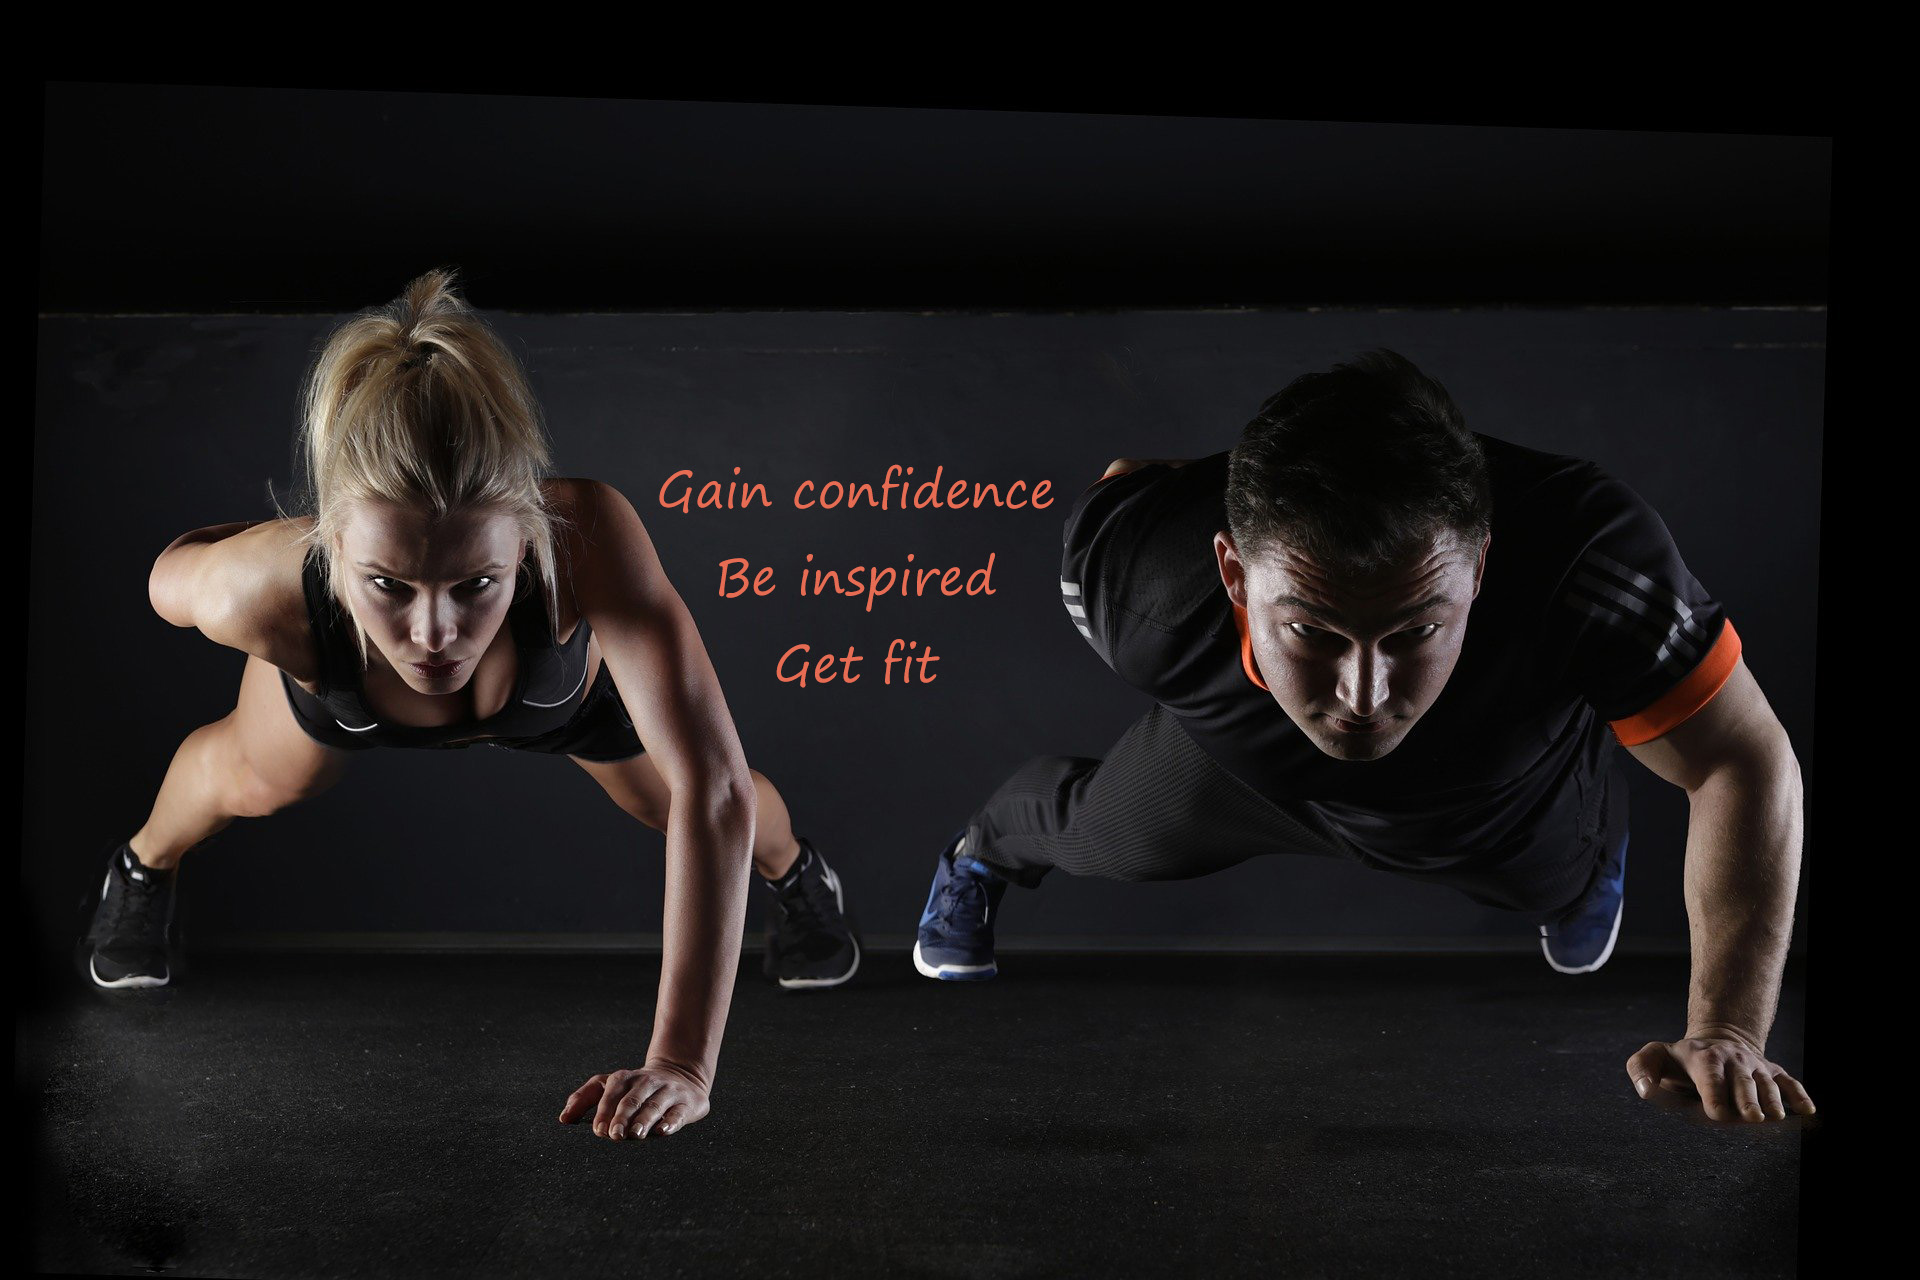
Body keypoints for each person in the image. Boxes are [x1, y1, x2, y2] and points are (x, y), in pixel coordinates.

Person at [914, 350, 1814, 1125]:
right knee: (1094, 835)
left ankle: (1585, 846)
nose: (1363, 695)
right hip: (1239, 772)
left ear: (1480, 566)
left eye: (1415, 630)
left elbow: (1739, 757)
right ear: (1233, 572)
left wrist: (1729, 1029)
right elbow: (1128, 483)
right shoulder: (1141, 578)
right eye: (1313, 630)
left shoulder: (1587, 556)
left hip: (1490, 798)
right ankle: (978, 854)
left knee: (1555, 882)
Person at [81, 270, 861, 1143]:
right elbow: (170, 573)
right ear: (331, 540)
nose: (434, 634)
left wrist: (682, 1061)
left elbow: (714, 788)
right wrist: (285, 553)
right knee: (254, 779)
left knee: (673, 798)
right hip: (343, 689)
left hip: (558, 705)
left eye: (475, 584)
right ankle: (141, 870)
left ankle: (797, 875)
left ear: (525, 538)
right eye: (388, 584)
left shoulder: (587, 536)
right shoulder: (254, 590)